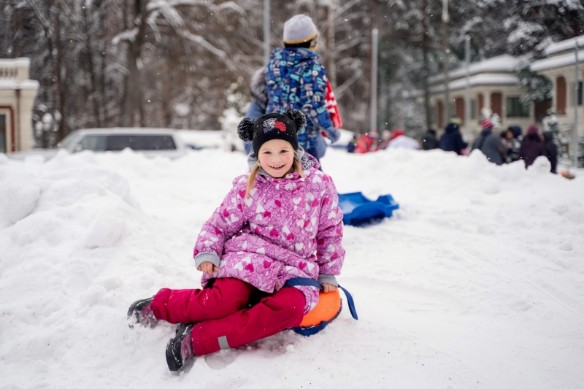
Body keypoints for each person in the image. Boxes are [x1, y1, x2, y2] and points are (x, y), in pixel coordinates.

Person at [127, 109, 345, 372]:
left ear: (295, 150)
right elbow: (218, 223)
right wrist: (208, 252)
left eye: (283, 151)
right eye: (267, 152)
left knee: (288, 309)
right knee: (224, 301)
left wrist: (329, 274)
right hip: (251, 259)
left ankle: (197, 340)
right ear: (256, 154)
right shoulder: (248, 186)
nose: (276, 159)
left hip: (296, 268)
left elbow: (330, 231)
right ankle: (160, 306)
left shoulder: (318, 185)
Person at [265, 14, 340, 162]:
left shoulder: (274, 64)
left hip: (274, 134)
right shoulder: (311, 67)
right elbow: (313, 104)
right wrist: (329, 128)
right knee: (313, 180)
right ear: (311, 42)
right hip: (303, 138)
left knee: (281, 178)